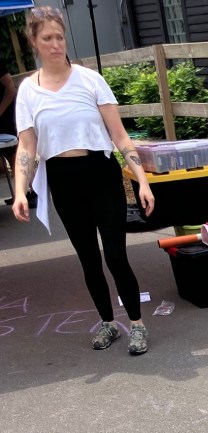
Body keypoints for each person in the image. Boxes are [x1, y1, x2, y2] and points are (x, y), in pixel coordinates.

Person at [12, 6, 155, 355]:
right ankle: (108, 323)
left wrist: (142, 180)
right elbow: (27, 147)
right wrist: (20, 191)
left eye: (60, 37)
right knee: (88, 258)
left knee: (116, 256)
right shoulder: (28, 91)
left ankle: (137, 324)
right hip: (63, 180)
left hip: (100, 174)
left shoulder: (90, 80)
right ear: (34, 42)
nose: (56, 44)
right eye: (48, 38)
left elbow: (120, 136)